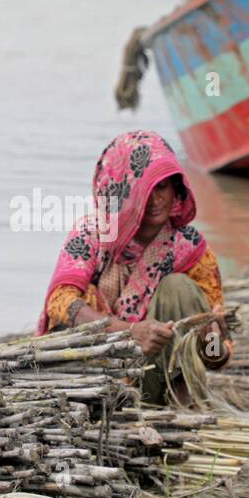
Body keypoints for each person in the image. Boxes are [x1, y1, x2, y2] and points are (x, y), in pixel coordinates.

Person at [37, 130, 231, 404]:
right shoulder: (92, 234)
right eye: (144, 189)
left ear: (176, 187)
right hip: (91, 380)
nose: (154, 200)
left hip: (154, 383)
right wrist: (129, 332)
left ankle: (177, 412)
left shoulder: (190, 248)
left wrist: (212, 342)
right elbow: (59, 302)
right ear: (119, 193)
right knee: (78, 306)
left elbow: (214, 358)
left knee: (179, 288)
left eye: (161, 187)